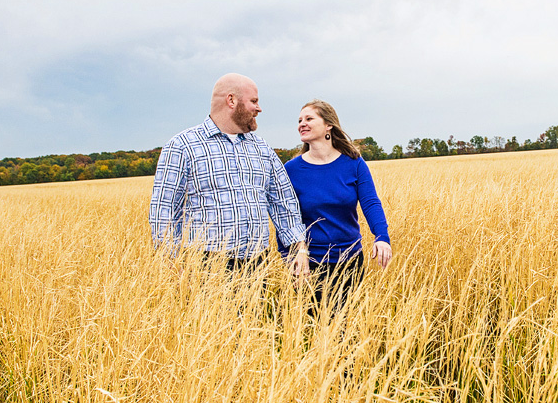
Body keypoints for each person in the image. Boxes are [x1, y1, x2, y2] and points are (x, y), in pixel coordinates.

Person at [149, 74, 309, 276]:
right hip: (205, 267)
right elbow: (164, 211)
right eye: (254, 101)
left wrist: (299, 249)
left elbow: (284, 202)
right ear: (231, 100)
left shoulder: (261, 148)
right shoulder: (182, 146)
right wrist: (171, 264)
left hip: (258, 265)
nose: (259, 108)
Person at [279, 99, 392, 309]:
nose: (301, 124)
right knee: (314, 328)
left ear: (328, 125)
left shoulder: (354, 163)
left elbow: (370, 202)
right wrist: (291, 257)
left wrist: (382, 237)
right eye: (299, 120)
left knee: (346, 327)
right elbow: (285, 216)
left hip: (350, 260)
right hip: (309, 263)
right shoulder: (292, 169)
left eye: (309, 119)